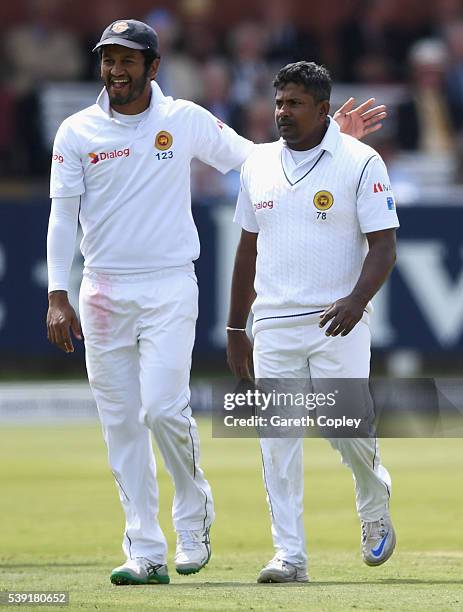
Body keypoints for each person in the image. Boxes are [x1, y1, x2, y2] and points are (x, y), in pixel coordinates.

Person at [46, 20, 387, 586]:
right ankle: (144, 548)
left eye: (128, 61)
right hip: (102, 289)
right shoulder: (76, 132)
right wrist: (58, 293)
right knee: (120, 425)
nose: (116, 71)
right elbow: (62, 217)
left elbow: (258, 162)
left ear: (153, 67)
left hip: (167, 284)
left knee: (159, 410)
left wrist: (335, 143)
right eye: (108, 60)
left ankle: (194, 512)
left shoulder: (181, 120)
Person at [227, 61, 399, 583]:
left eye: (295, 103)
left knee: (346, 428)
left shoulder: (361, 161)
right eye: (279, 102)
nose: (282, 112)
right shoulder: (257, 164)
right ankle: (289, 555)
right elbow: (246, 249)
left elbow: (384, 247)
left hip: (336, 322)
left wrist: (355, 300)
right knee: (276, 439)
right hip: (274, 323)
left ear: (324, 109)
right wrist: (237, 328)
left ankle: (374, 509)